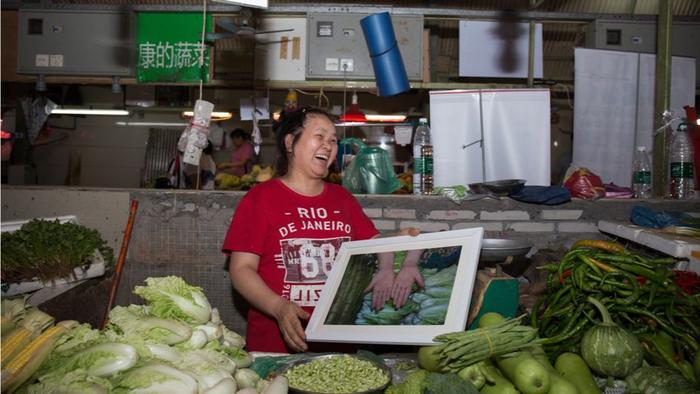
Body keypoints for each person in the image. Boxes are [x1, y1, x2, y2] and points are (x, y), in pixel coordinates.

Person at [222, 107, 422, 353]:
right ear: (290, 142)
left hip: (337, 345)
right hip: (275, 346)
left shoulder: (342, 198)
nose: (328, 146)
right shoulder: (260, 198)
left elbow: (371, 245)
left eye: (333, 141)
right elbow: (241, 270)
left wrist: (397, 241)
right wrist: (278, 307)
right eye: (320, 136)